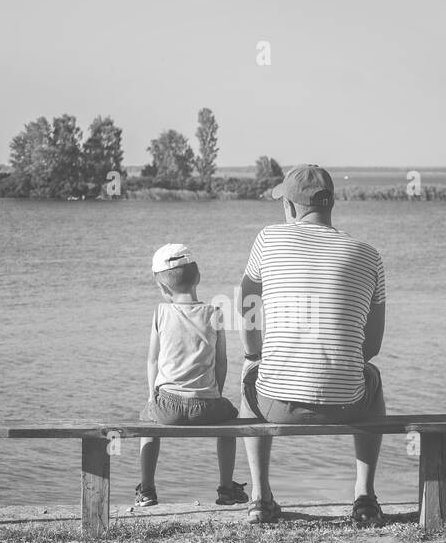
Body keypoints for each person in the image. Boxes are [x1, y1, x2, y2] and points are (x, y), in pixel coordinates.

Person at [236, 165, 387, 524]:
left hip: (277, 405)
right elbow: (373, 345)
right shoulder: (368, 255)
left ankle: (259, 497)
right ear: (330, 205)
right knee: (373, 376)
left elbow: (246, 297)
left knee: (248, 381)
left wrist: (252, 354)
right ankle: (364, 497)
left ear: (290, 207)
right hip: (347, 404)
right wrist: (342, 361)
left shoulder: (268, 239)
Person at [135, 243, 248, 508]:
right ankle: (226, 488)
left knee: (147, 423)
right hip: (207, 406)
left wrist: (153, 396)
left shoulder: (161, 312)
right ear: (198, 277)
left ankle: (147, 489)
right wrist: (215, 393)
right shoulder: (215, 313)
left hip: (166, 406)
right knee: (230, 422)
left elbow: (152, 359)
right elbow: (221, 363)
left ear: (163, 289)